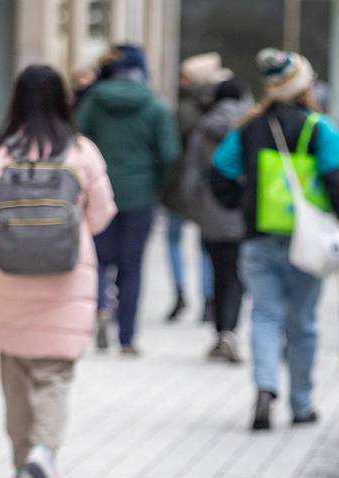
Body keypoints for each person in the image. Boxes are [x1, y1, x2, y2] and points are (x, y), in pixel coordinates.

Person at [0, 65, 117, 478]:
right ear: (63, 100)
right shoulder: (81, 151)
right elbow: (103, 214)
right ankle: (45, 451)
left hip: (8, 275)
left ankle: (18, 467)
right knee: (54, 372)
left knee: (15, 371)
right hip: (67, 276)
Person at [209, 48, 339, 430]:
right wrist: (336, 218)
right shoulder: (320, 128)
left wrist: (244, 205)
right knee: (302, 322)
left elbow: (219, 173)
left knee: (265, 314)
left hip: (259, 236)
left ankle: (265, 389)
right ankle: (302, 404)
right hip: (308, 243)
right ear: (305, 86)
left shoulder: (250, 127)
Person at [78, 44, 180, 356]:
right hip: (139, 198)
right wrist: (155, 185)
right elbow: (169, 154)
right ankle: (127, 337)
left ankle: (99, 312)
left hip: (98, 195)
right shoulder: (156, 106)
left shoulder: (95, 100)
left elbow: (77, 138)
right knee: (132, 266)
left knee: (97, 261)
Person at [179, 77, 252, 363]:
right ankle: (231, 331)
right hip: (242, 212)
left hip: (210, 212)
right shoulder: (251, 127)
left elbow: (191, 173)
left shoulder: (204, 127)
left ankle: (220, 330)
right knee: (236, 276)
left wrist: (194, 209)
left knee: (218, 272)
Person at [161, 53, 232, 323]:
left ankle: (180, 291)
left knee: (174, 241)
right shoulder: (220, 111)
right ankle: (208, 298)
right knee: (205, 245)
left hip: (180, 186)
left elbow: (170, 150)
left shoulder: (183, 111)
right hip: (210, 187)